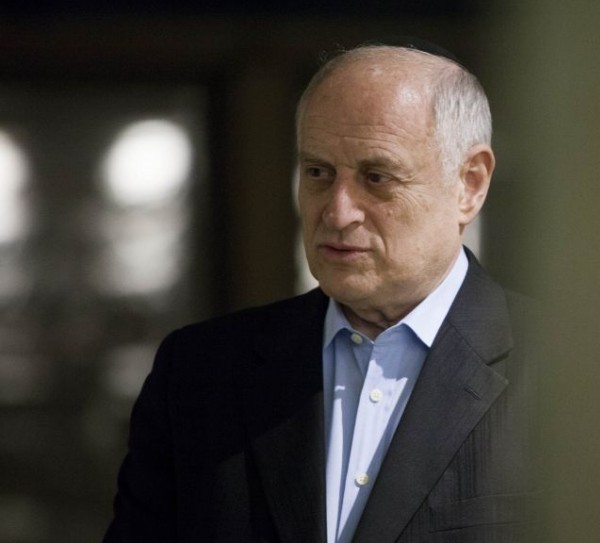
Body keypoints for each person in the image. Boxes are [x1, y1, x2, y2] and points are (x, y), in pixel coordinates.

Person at [103, 42, 539, 543]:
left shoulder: (572, 373)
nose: (337, 212)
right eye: (318, 173)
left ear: (469, 183)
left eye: (376, 177)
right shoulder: (198, 373)